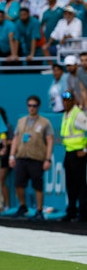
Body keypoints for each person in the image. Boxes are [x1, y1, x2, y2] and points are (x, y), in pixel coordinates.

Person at [8, 95, 53, 221]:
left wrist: (48, 158)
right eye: (29, 105)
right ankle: (23, 206)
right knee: (18, 184)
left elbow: (50, 141)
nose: (31, 108)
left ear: (38, 107)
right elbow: (16, 138)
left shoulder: (45, 122)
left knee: (37, 185)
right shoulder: (21, 121)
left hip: (36, 157)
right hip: (22, 156)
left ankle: (39, 209)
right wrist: (12, 155)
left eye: (34, 106)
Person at [59, 91, 87, 222]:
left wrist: (85, 150)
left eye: (68, 100)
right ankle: (71, 211)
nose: (66, 103)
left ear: (74, 100)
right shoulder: (66, 114)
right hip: (69, 152)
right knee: (70, 184)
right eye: (64, 100)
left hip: (78, 154)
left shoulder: (78, 115)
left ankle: (83, 213)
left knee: (80, 184)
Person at [0, 106, 14, 211]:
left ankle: (7, 205)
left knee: (1, 180)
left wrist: (3, 142)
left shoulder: (7, 127)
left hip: (4, 155)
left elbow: (12, 140)